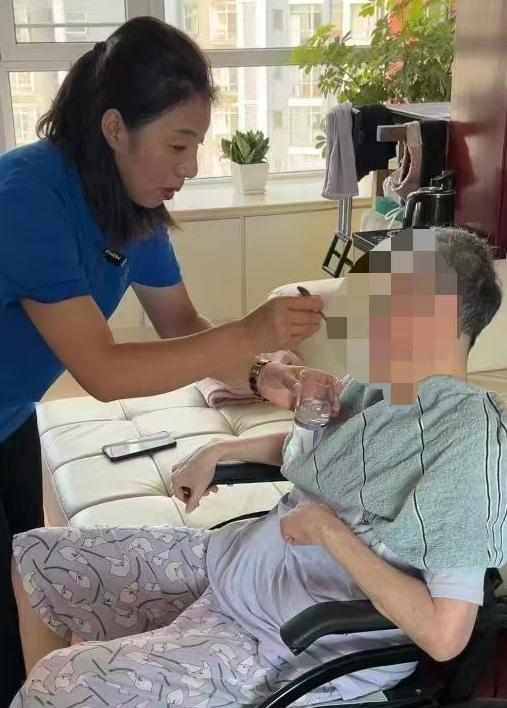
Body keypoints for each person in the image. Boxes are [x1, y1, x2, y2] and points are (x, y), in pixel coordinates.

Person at [10, 227, 507, 707]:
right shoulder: (382, 388)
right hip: (239, 565)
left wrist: (328, 532)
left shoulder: (466, 444)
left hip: (286, 642)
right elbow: (319, 457)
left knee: (58, 684)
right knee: (36, 558)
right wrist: (220, 451)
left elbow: (445, 635)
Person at [0, 17, 323, 703]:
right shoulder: (28, 196)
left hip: (9, 412)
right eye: (178, 143)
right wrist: (250, 330)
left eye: (197, 144)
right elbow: (105, 372)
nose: (190, 166)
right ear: (115, 128)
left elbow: (182, 326)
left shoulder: (133, 205)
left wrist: (261, 371)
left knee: (16, 579)